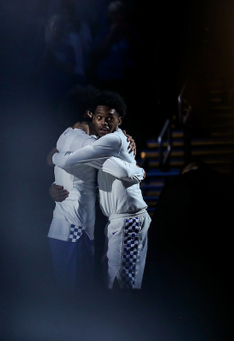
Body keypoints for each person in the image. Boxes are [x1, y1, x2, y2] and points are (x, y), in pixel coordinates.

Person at [52, 91, 150, 289]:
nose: (103, 122)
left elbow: (61, 159)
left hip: (89, 223)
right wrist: (139, 171)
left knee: (116, 285)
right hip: (79, 226)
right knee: (101, 286)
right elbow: (115, 166)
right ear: (89, 114)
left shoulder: (67, 136)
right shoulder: (88, 140)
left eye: (108, 118)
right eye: (99, 117)